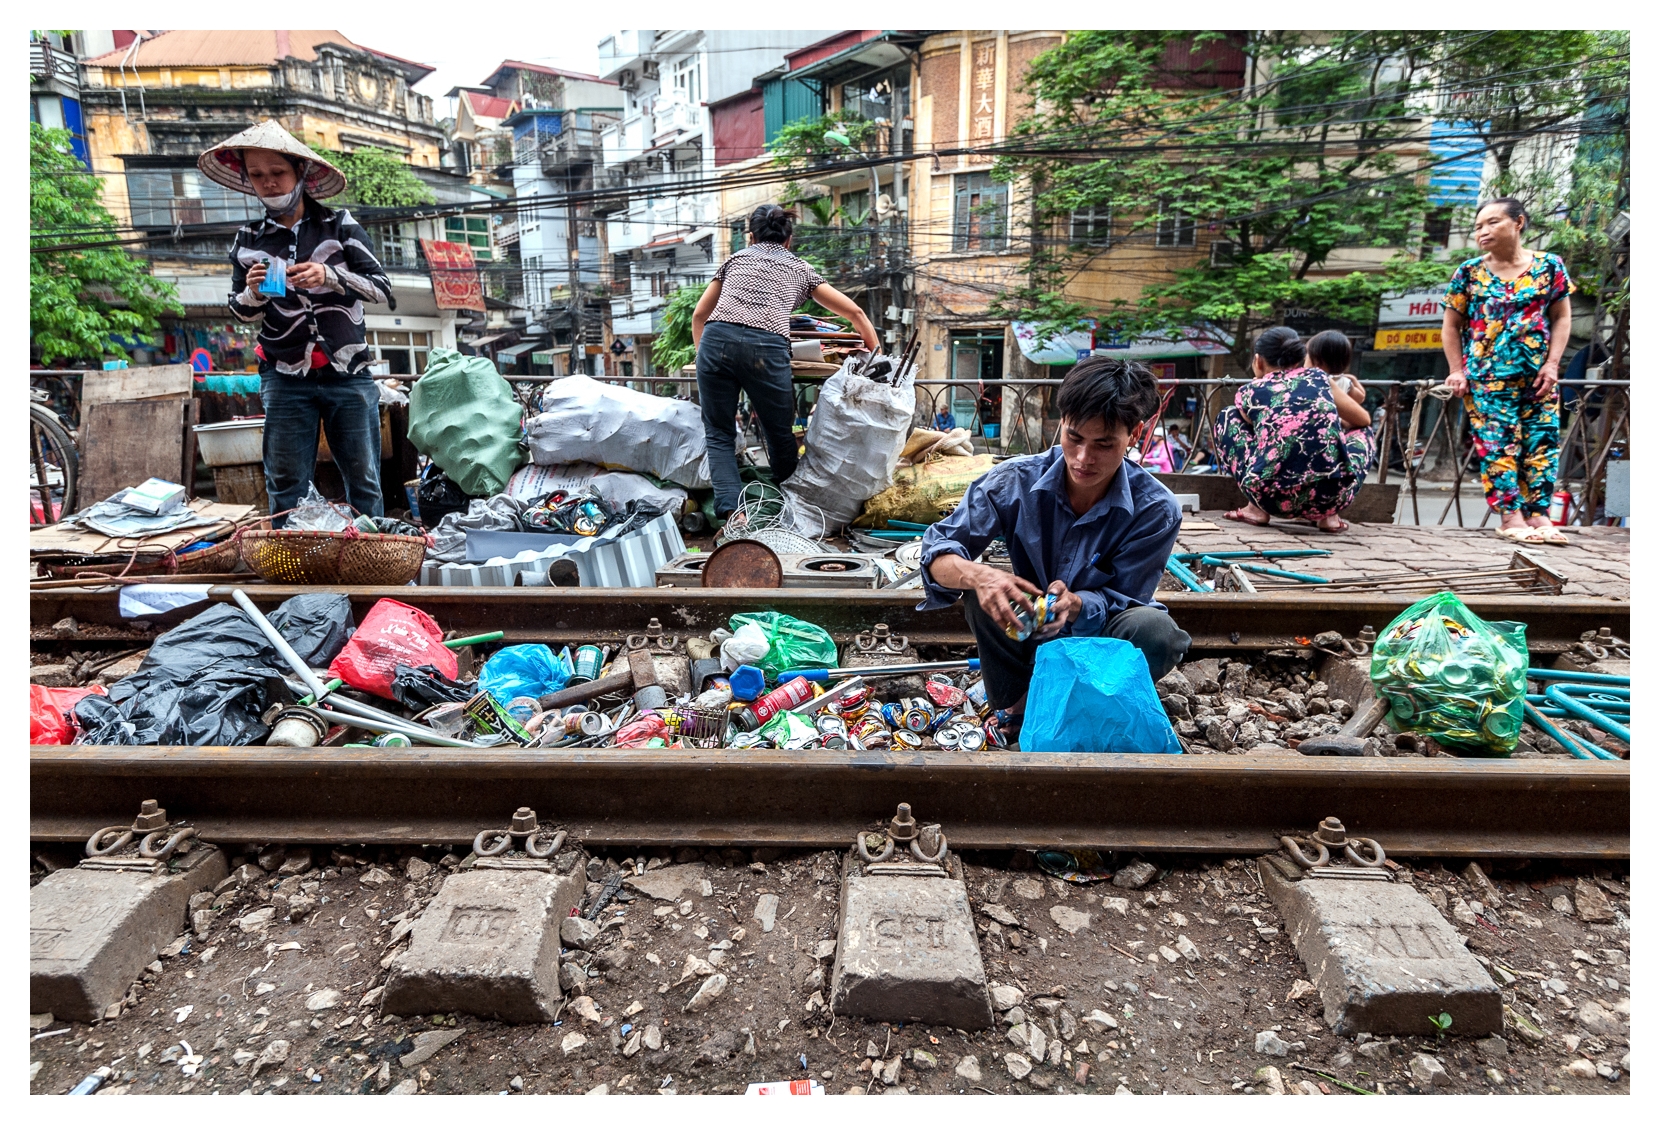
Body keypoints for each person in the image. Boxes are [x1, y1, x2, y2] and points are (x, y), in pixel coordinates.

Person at [918, 358, 1190, 744]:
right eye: (1075, 438)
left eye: (1103, 444)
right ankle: (1018, 703)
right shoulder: (1013, 480)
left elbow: (1129, 602)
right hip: (1024, 631)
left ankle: (1086, 705)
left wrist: (1078, 605)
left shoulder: (1156, 509)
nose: (1083, 459)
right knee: (983, 596)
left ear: (1135, 434)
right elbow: (937, 552)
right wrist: (979, 575)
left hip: (1094, 643)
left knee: (1155, 630)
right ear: (1060, 421)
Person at [201, 121, 391, 526]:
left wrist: (331, 277)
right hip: (284, 375)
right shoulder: (247, 239)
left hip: (348, 373)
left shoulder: (340, 225)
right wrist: (254, 293)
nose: (269, 183)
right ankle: (293, 570)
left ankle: (373, 564)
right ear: (247, 179)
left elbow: (382, 289)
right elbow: (239, 309)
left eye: (277, 173)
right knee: (285, 483)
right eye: (257, 175)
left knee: (364, 480)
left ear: (300, 173)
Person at [691, 204, 880, 521]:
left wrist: (703, 358)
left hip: (716, 341)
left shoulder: (734, 260)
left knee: (719, 434)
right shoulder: (800, 268)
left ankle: (733, 513)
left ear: (750, 237)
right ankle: (794, 506)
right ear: (788, 240)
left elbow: (699, 315)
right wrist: (877, 363)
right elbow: (855, 314)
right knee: (779, 434)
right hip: (766, 349)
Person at [1441, 198, 1574, 545]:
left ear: (1518, 222)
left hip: (1540, 377)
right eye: (1478, 226)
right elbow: (1450, 326)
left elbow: (1561, 317)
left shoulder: (1550, 266)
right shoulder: (1469, 272)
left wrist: (1553, 363)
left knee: (1542, 442)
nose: (1482, 231)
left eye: (1492, 222)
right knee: (1497, 447)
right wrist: (1457, 370)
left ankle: (1539, 515)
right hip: (1487, 378)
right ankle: (1510, 516)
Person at [1212, 327, 1375, 533]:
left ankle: (1254, 508)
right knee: (1364, 432)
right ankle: (1329, 516)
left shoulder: (1249, 391)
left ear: (1258, 361)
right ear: (1299, 358)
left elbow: (1251, 428)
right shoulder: (1319, 378)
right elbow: (1363, 419)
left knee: (1228, 416)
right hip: (1331, 498)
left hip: (1270, 499)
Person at [1308, 329, 1366, 406]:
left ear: (1318, 361)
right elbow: (1360, 398)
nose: (1304, 358)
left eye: (1307, 354)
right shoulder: (1345, 382)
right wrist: (1353, 379)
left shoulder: (1308, 380)